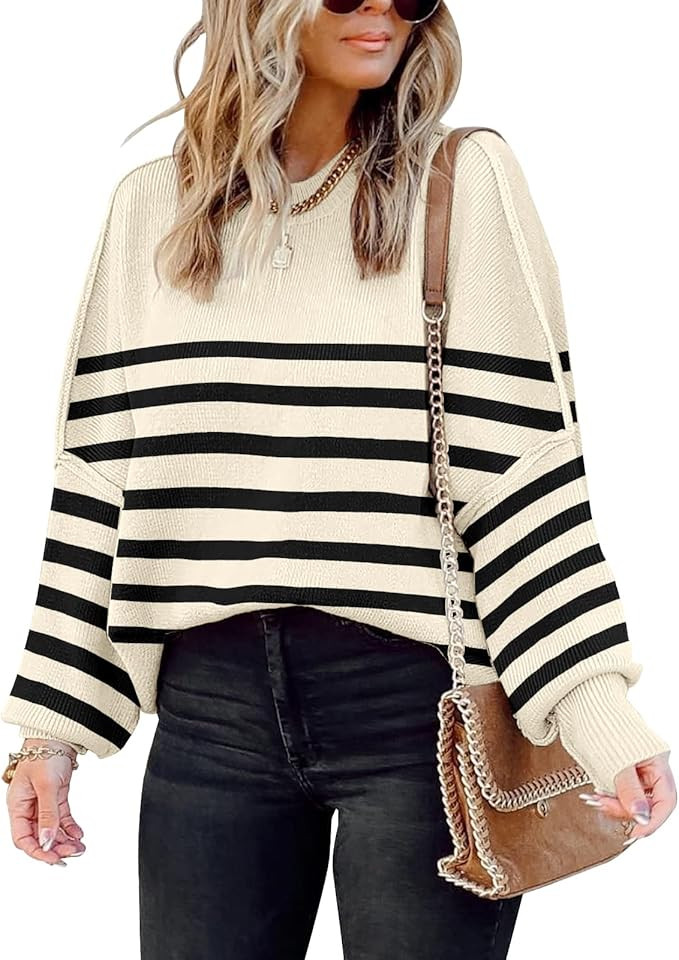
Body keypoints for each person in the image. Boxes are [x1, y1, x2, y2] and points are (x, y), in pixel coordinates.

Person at [2, 1, 675, 957]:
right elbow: (99, 481)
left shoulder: (461, 184)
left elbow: (521, 473)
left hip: (418, 714)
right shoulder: (153, 207)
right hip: (209, 713)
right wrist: (49, 731)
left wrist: (596, 708)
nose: (383, 13)